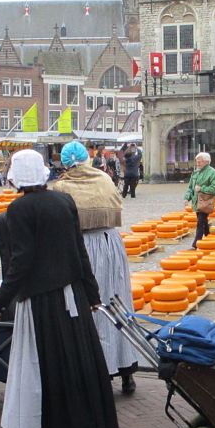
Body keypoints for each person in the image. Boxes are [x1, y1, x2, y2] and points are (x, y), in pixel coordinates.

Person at [0, 149, 121, 428]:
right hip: (72, 294)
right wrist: (92, 293)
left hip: (42, 302)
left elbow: (21, 263)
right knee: (78, 365)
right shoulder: (63, 201)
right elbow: (78, 251)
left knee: (42, 367)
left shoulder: (19, 209)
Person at [52, 141, 140, 394]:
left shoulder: (61, 186)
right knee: (117, 301)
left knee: (91, 305)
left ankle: (99, 369)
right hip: (110, 242)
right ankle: (126, 370)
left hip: (83, 246)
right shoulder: (103, 179)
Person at [185, 152, 215, 248]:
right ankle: (209, 237)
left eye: (200, 162)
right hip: (197, 202)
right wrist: (187, 198)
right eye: (197, 161)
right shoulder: (196, 172)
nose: (198, 163)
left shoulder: (212, 172)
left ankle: (196, 244)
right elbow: (191, 187)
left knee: (200, 221)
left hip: (206, 201)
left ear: (206, 162)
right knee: (203, 221)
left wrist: (202, 189)